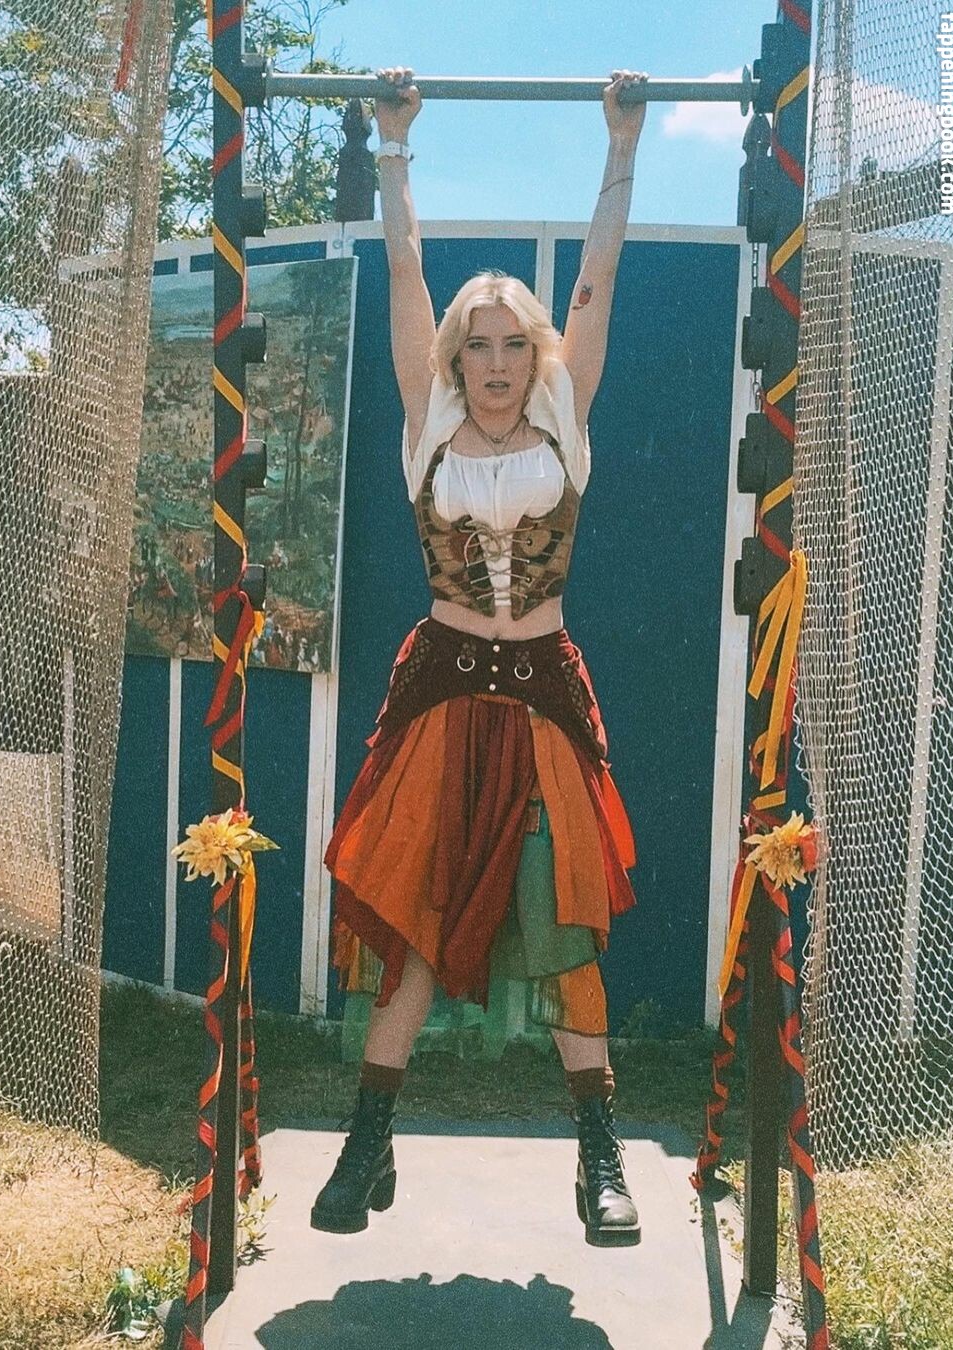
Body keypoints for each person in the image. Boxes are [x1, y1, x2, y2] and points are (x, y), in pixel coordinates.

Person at [312, 66, 648, 1246]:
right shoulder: (428, 427)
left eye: (515, 345)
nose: (497, 364)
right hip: (443, 694)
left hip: (543, 695)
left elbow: (600, 278)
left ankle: (600, 1160)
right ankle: (366, 1142)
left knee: (562, 921)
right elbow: (406, 273)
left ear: (537, 355)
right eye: (479, 346)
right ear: (455, 358)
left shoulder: (565, 421)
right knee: (410, 914)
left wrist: (621, 148)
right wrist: (394, 146)